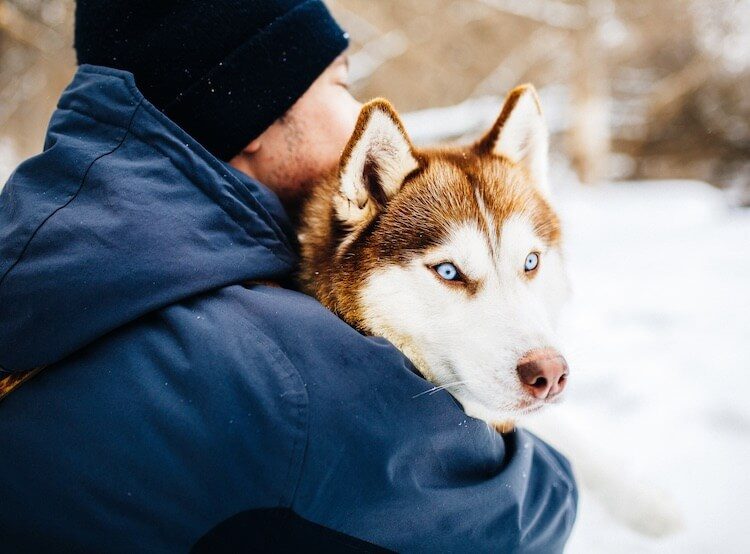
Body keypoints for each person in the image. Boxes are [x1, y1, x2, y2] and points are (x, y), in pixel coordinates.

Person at [0, 1, 577, 551]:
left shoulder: (52, 255)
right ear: (250, 109)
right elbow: (522, 516)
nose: (359, 114)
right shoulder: (285, 377)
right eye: (340, 85)